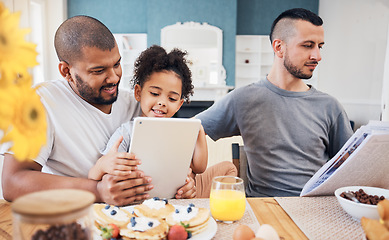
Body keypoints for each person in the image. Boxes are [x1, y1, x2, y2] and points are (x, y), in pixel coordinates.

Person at [1, 16, 195, 206]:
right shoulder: (39, 103)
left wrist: (183, 181)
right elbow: (13, 181)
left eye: (117, 64)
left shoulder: (137, 103)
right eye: (98, 70)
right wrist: (97, 190)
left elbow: (171, 160)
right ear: (66, 71)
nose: (114, 78)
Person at [196, 8, 354, 197]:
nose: (317, 56)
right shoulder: (243, 99)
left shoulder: (330, 107)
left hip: (314, 206)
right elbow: (187, 130)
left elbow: (352, 164)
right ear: (279, 47)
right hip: (264, 207)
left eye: (320, 46)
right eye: (308, 45)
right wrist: (187, 174)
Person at [88, 45, 208, 188]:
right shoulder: (127, 132)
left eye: (172, 99)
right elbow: (94, 176)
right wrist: (102, 166)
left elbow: (199, 167)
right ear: (138, 93)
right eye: (155, 94)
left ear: (179, 104)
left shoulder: (178, 132)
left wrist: (199, 130)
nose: (162, 102)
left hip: (171, 200)